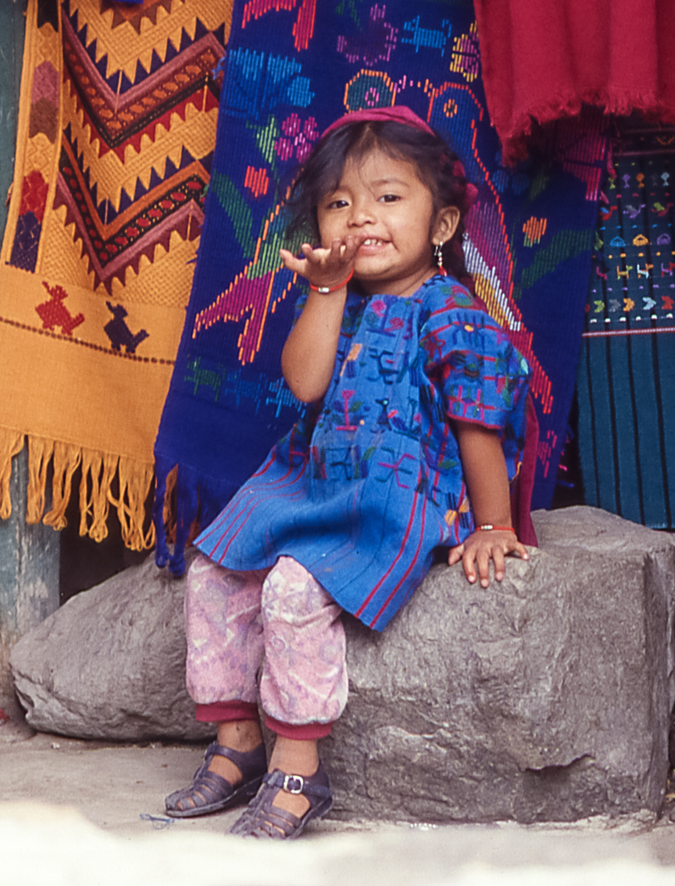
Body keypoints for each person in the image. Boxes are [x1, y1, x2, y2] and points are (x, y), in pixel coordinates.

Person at [166, 107, 531, 837]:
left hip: (397, 493)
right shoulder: (341, 303)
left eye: (388, 198)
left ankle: (298, 768)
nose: (361, 217)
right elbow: (304, 386)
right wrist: (325, 293)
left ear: (442, 226)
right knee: (211, 569)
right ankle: (236, 742)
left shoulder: (451, 316)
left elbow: (476, 425)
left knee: (295, 589)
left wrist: (492, 524)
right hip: (313, 480)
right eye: (339, 204)